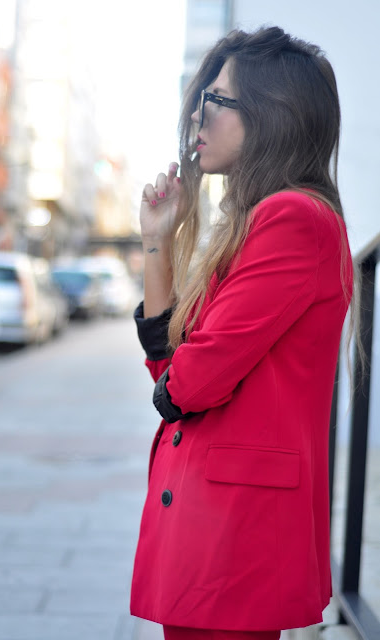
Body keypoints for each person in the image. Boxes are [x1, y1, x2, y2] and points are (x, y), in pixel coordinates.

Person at [130, 26, 354, 640]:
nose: (197, 115)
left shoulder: (293, 218)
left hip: (235, 534)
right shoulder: (257, 223)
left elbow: (189, 382)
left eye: (217, 99)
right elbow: (171, 371)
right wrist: (157, 241)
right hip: (216, 526)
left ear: (271, 113)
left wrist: (179, 380)